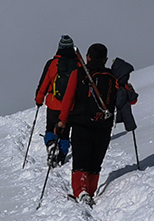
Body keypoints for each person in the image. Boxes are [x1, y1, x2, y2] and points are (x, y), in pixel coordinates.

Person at [55, 42, 115, 202]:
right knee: (95, 161)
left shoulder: (79, 73)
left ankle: (81, 192)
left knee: (81, 160)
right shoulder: (112, 76)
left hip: (81, 123)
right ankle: (91, 191)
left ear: (88, 57)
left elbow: (68, 99)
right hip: (104, 125)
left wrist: (62, 121)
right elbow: (127, 100)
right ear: (105, 59)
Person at [34, 35, 78, 166]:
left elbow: (44, 83)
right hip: (70, 106)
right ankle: (62, 155)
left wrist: (39, 99)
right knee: (65, 133)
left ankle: (52, 144)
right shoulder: (78, 64)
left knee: (50, 128)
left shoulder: (52, 64)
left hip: (54, 104)